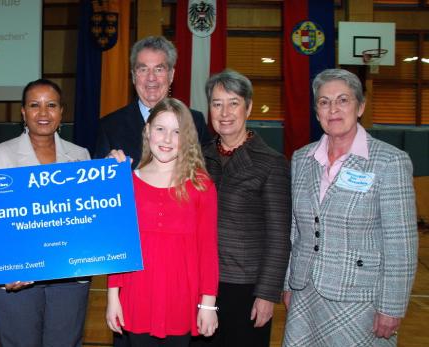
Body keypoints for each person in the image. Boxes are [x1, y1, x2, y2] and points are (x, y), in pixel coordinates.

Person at [282, 69, 418, 346]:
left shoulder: (390, 162)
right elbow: (295, 231)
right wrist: (288, 283)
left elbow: (401, 243)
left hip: (360, 298)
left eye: (343, 100)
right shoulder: (301, 159)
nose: (333, 109)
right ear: (316, 111)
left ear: (360, 107)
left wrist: (391, 306)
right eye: (324, 101)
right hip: (305, 293)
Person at [0, 79, 90, 347]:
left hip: (68, 276)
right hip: (16, 278)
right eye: (34, 105)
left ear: (62, 111)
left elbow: (88, 220)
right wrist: (3, 268)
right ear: (23, 113)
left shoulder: (81, 156)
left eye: (51, 105)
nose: (43, 113)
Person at [106, 97, 219, 346]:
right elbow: (118, 246)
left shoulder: (201, 185)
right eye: (160, 129)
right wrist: (113, 297)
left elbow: (208, 249)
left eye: (176, 131)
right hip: (136, 296)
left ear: (187, 138)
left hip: (182, 299)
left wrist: (208, 303)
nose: (167, 139)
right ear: (147, 131)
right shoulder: (126, 182)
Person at [196, 69, 291, 347]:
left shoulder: (272, 163)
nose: (224, 112)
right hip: (201, 283)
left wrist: (266, 294)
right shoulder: (197, 157)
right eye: (217, 103)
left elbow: (279, 236)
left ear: (248, 107)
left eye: (233, 102)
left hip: (245, 288)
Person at [95, 36, 211, 168]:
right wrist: (107, 170)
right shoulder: (109, 127)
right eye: (143, 69)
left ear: (171, 75)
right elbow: (98, 186)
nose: (151, 78)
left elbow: (207, 174)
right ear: (133, 76)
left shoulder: (195, 121)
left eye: (159, 69)